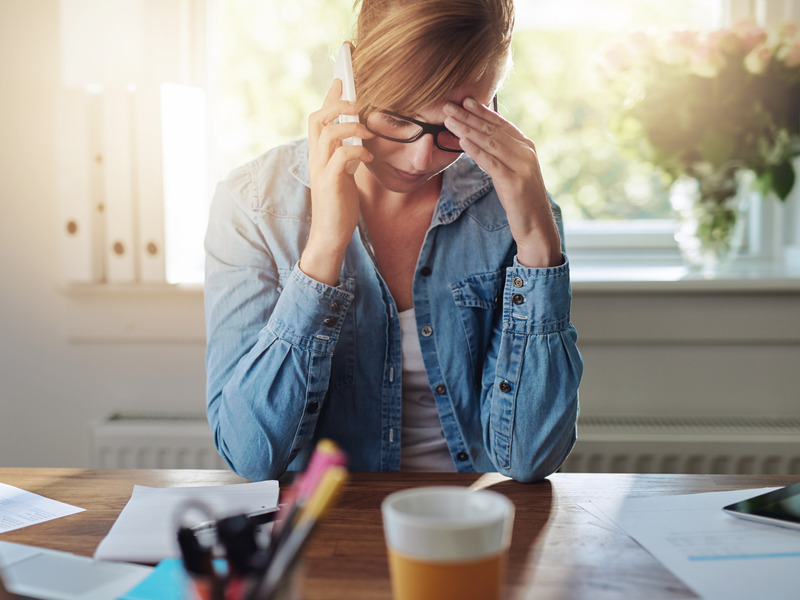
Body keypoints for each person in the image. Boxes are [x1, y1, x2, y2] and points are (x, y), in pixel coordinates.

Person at [204, 0, 583, 483]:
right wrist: (323, 249)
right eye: (399, 117)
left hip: (470, 522)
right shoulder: (252, 206)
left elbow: (530, 459)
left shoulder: (516, 212)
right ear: (351, 76)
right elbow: (249, 454)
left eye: (454, 128)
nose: (420, 157)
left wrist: (537, 245)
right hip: (327, 529)